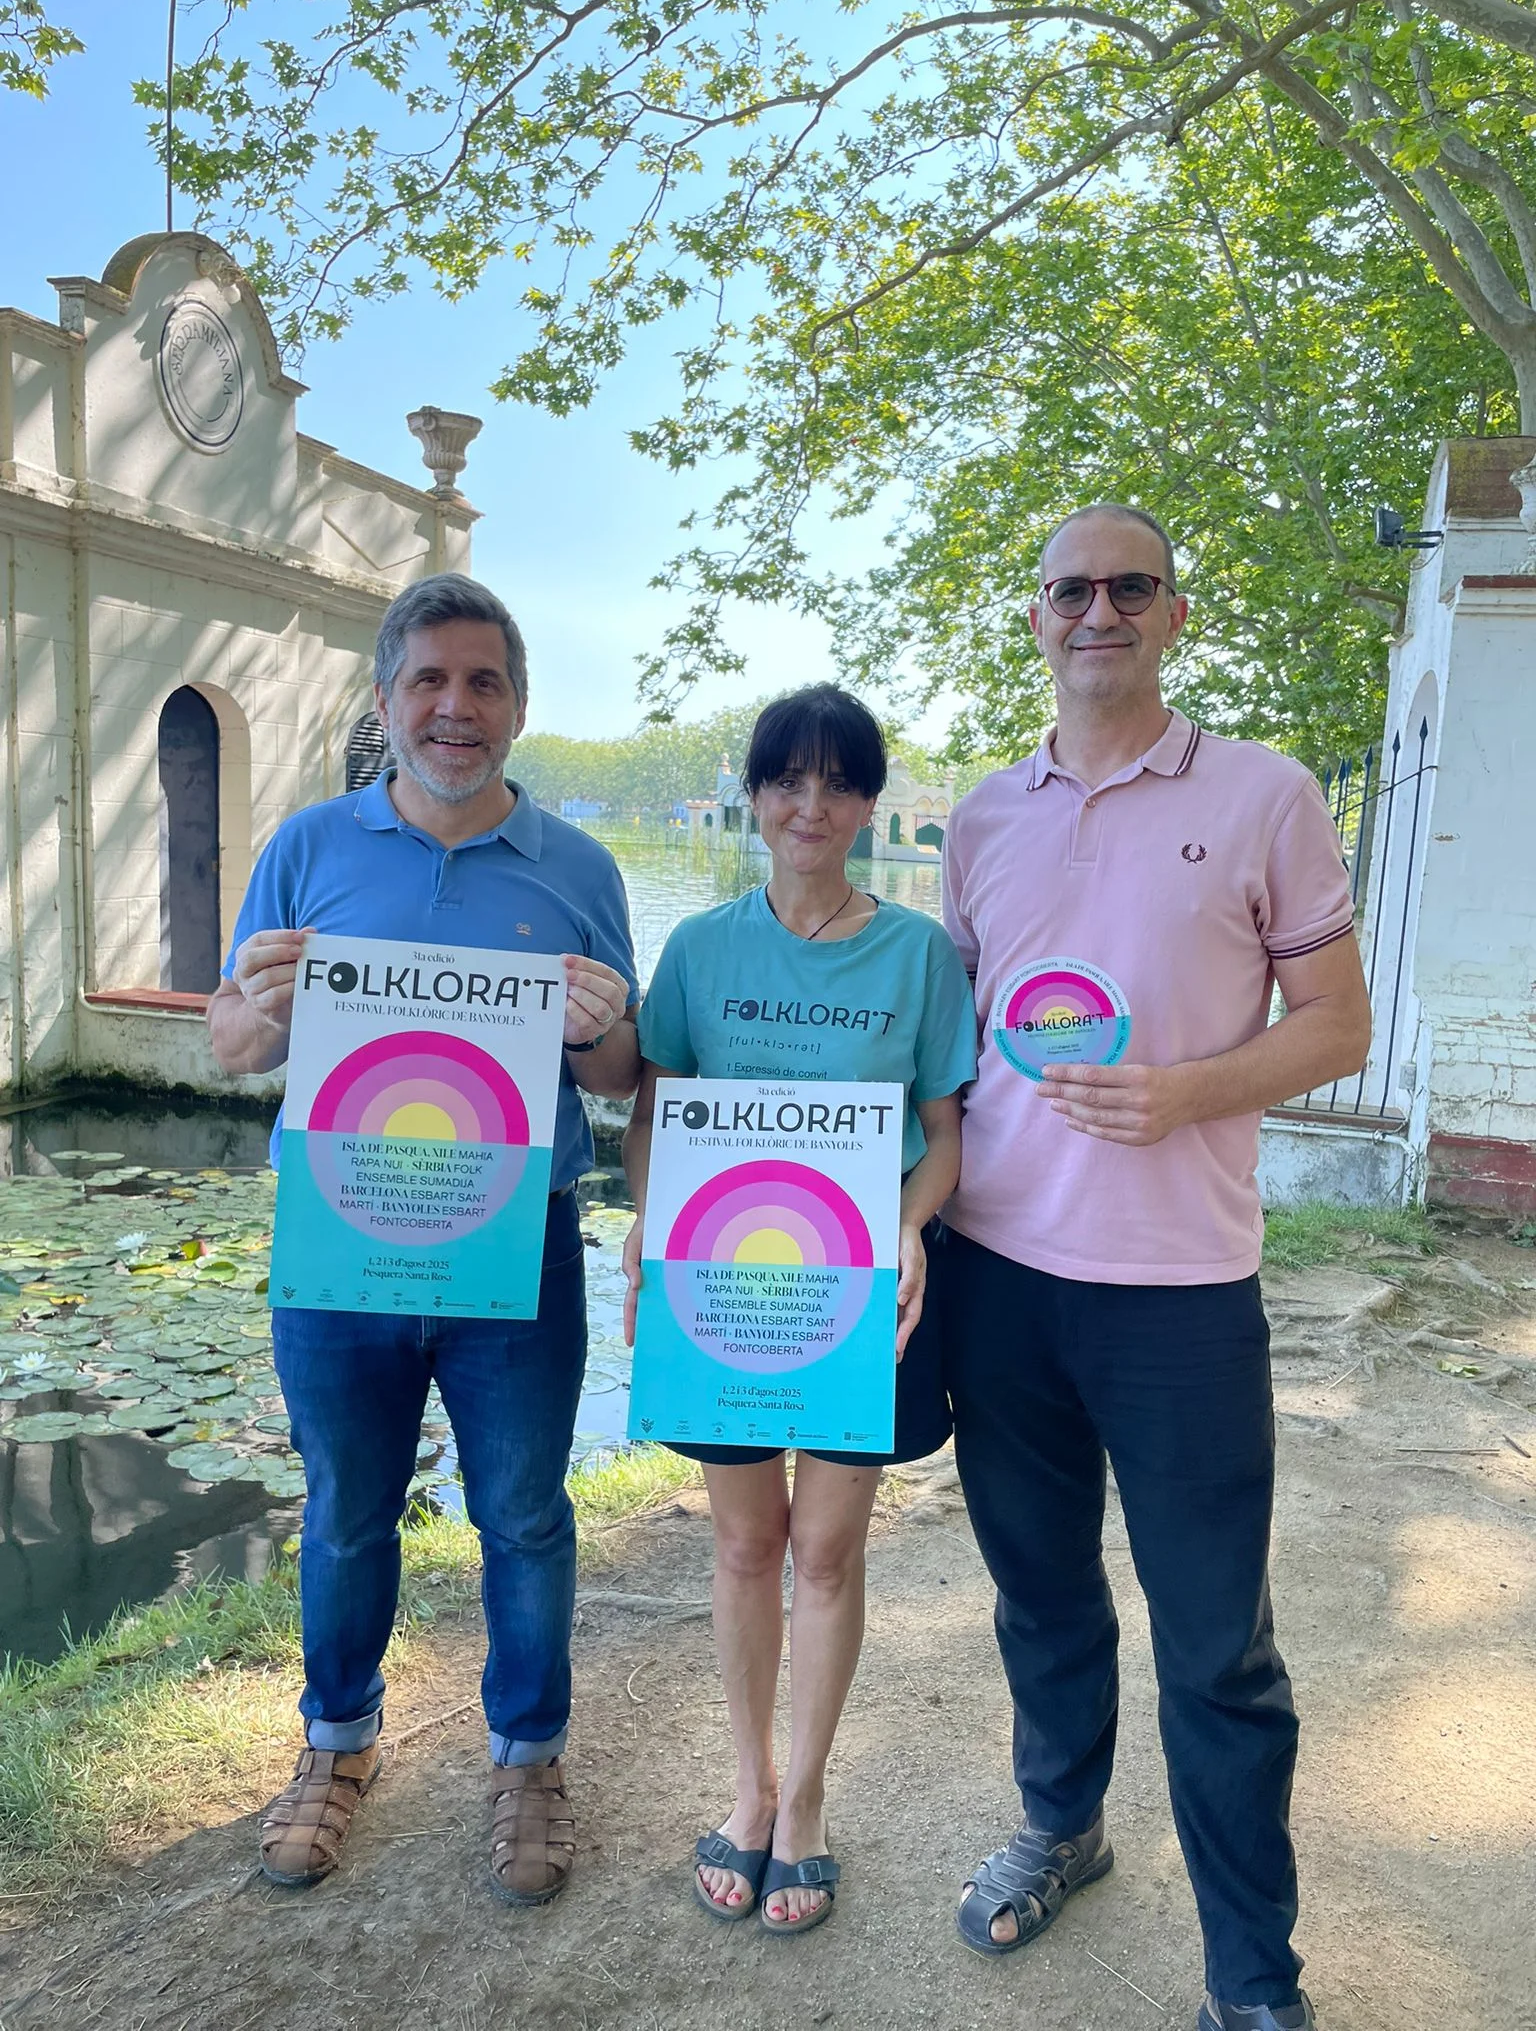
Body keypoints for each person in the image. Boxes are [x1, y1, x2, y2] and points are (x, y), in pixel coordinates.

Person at [939, 506, 1371, 2031]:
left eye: (1132, 586)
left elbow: (1339, 1025)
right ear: (1037, 617)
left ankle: (1252, 1976)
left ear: (1176, 614)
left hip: (1182, 1296)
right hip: (997, 1279)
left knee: (1218, 1651)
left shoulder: (1266, 795)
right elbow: (948, 1056)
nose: (1100, 610)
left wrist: (1189, 1091)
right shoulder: (982, 817)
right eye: (1071, 588)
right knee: (1041, 1597)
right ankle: (1063, 1826)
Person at [208, 572, 641, 1903]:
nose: (457, 707)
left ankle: (529, 1758)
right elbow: (229, 1047)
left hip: (517, 1247)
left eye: (484, 682)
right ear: (387, 698)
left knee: (524, 1511)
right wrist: (264, 1004)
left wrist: (601, 1027)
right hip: (340, 1242)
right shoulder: (306, 847)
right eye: (430, 680)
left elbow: (620, 1074)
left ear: (518, 705)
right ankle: (336, 1741)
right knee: (347, 1507)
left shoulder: (578, 869)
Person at [620, 684, 975, 1934]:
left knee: (825, 1549)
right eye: (786, 779)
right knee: (742, 1545)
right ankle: (750, 1785)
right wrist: (652, 1229)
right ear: (753, 798)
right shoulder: (699, 949)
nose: (809, 804)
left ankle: (809, 1795)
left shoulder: (919, 955)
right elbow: (654, 1115)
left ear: (869, 803)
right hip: (723, 1282)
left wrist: (910, 1222)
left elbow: (945, 1135)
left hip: (857, 1290)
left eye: (836, 782)